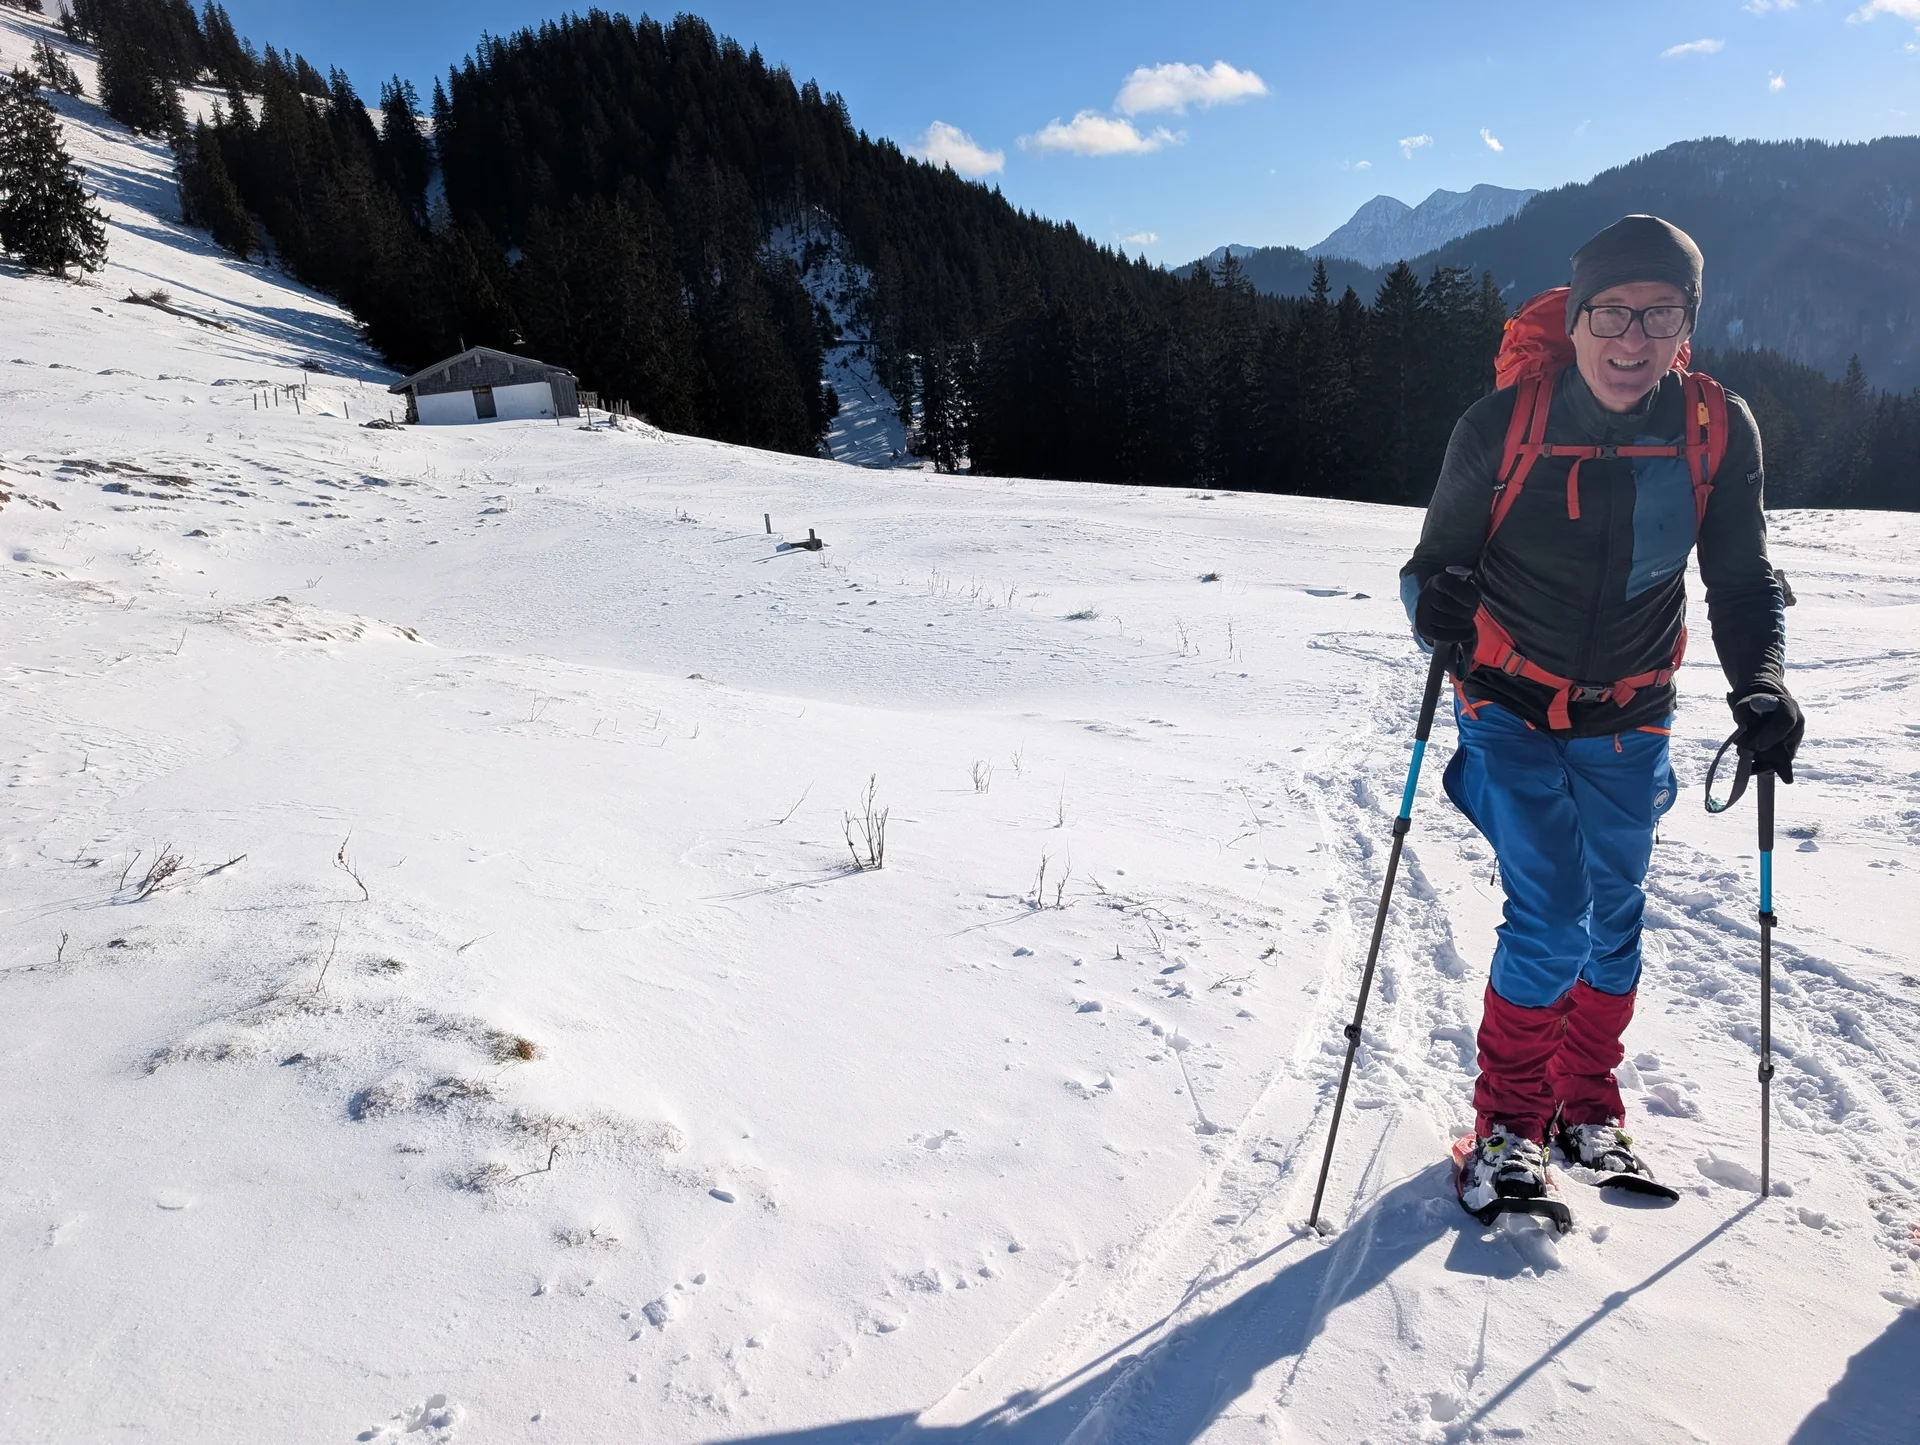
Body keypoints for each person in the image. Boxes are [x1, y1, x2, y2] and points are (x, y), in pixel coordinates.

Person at [1400, 214, 1803, 1214]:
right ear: (1577, 319)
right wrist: (1436, 608)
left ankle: (1587, 1107)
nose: (1633, 339)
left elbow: (1742, 578)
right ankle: (1505, 1124)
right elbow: (1428, 573)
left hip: (1633, 715)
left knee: (1614, 923)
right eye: (1613, 313)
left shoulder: (1713, 428)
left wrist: (1761, 680)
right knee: (1554, 914)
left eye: (1659, 315)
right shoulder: (1501, 425)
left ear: (1688, 327)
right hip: (1506, 703)